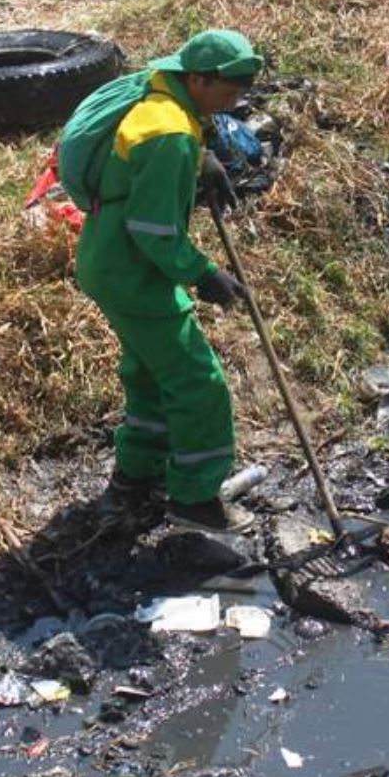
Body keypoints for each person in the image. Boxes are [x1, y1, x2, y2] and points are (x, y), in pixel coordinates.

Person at [75, 29, 263, 533]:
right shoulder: (170, 135)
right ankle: (195, 499)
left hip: (108, 260)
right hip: (132, 269)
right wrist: (205, 275)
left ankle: (136, 475)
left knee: (150, 372)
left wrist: (203, 156)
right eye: (230, 91)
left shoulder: (163, 99)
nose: (236, 102)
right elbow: (153, 230)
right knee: (197, 382)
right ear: (198, 79)